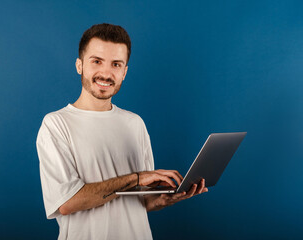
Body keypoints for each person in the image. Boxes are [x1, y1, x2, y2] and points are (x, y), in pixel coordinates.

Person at [36, 23, 208, 240]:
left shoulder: (135, 123)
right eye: (97, 61)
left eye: (116, 64)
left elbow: (143, 201)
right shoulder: (56, 124)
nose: (106, 73)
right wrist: (137, 177)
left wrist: (164, 199)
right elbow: (67, 203)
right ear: (79, 65)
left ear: (125, 72)